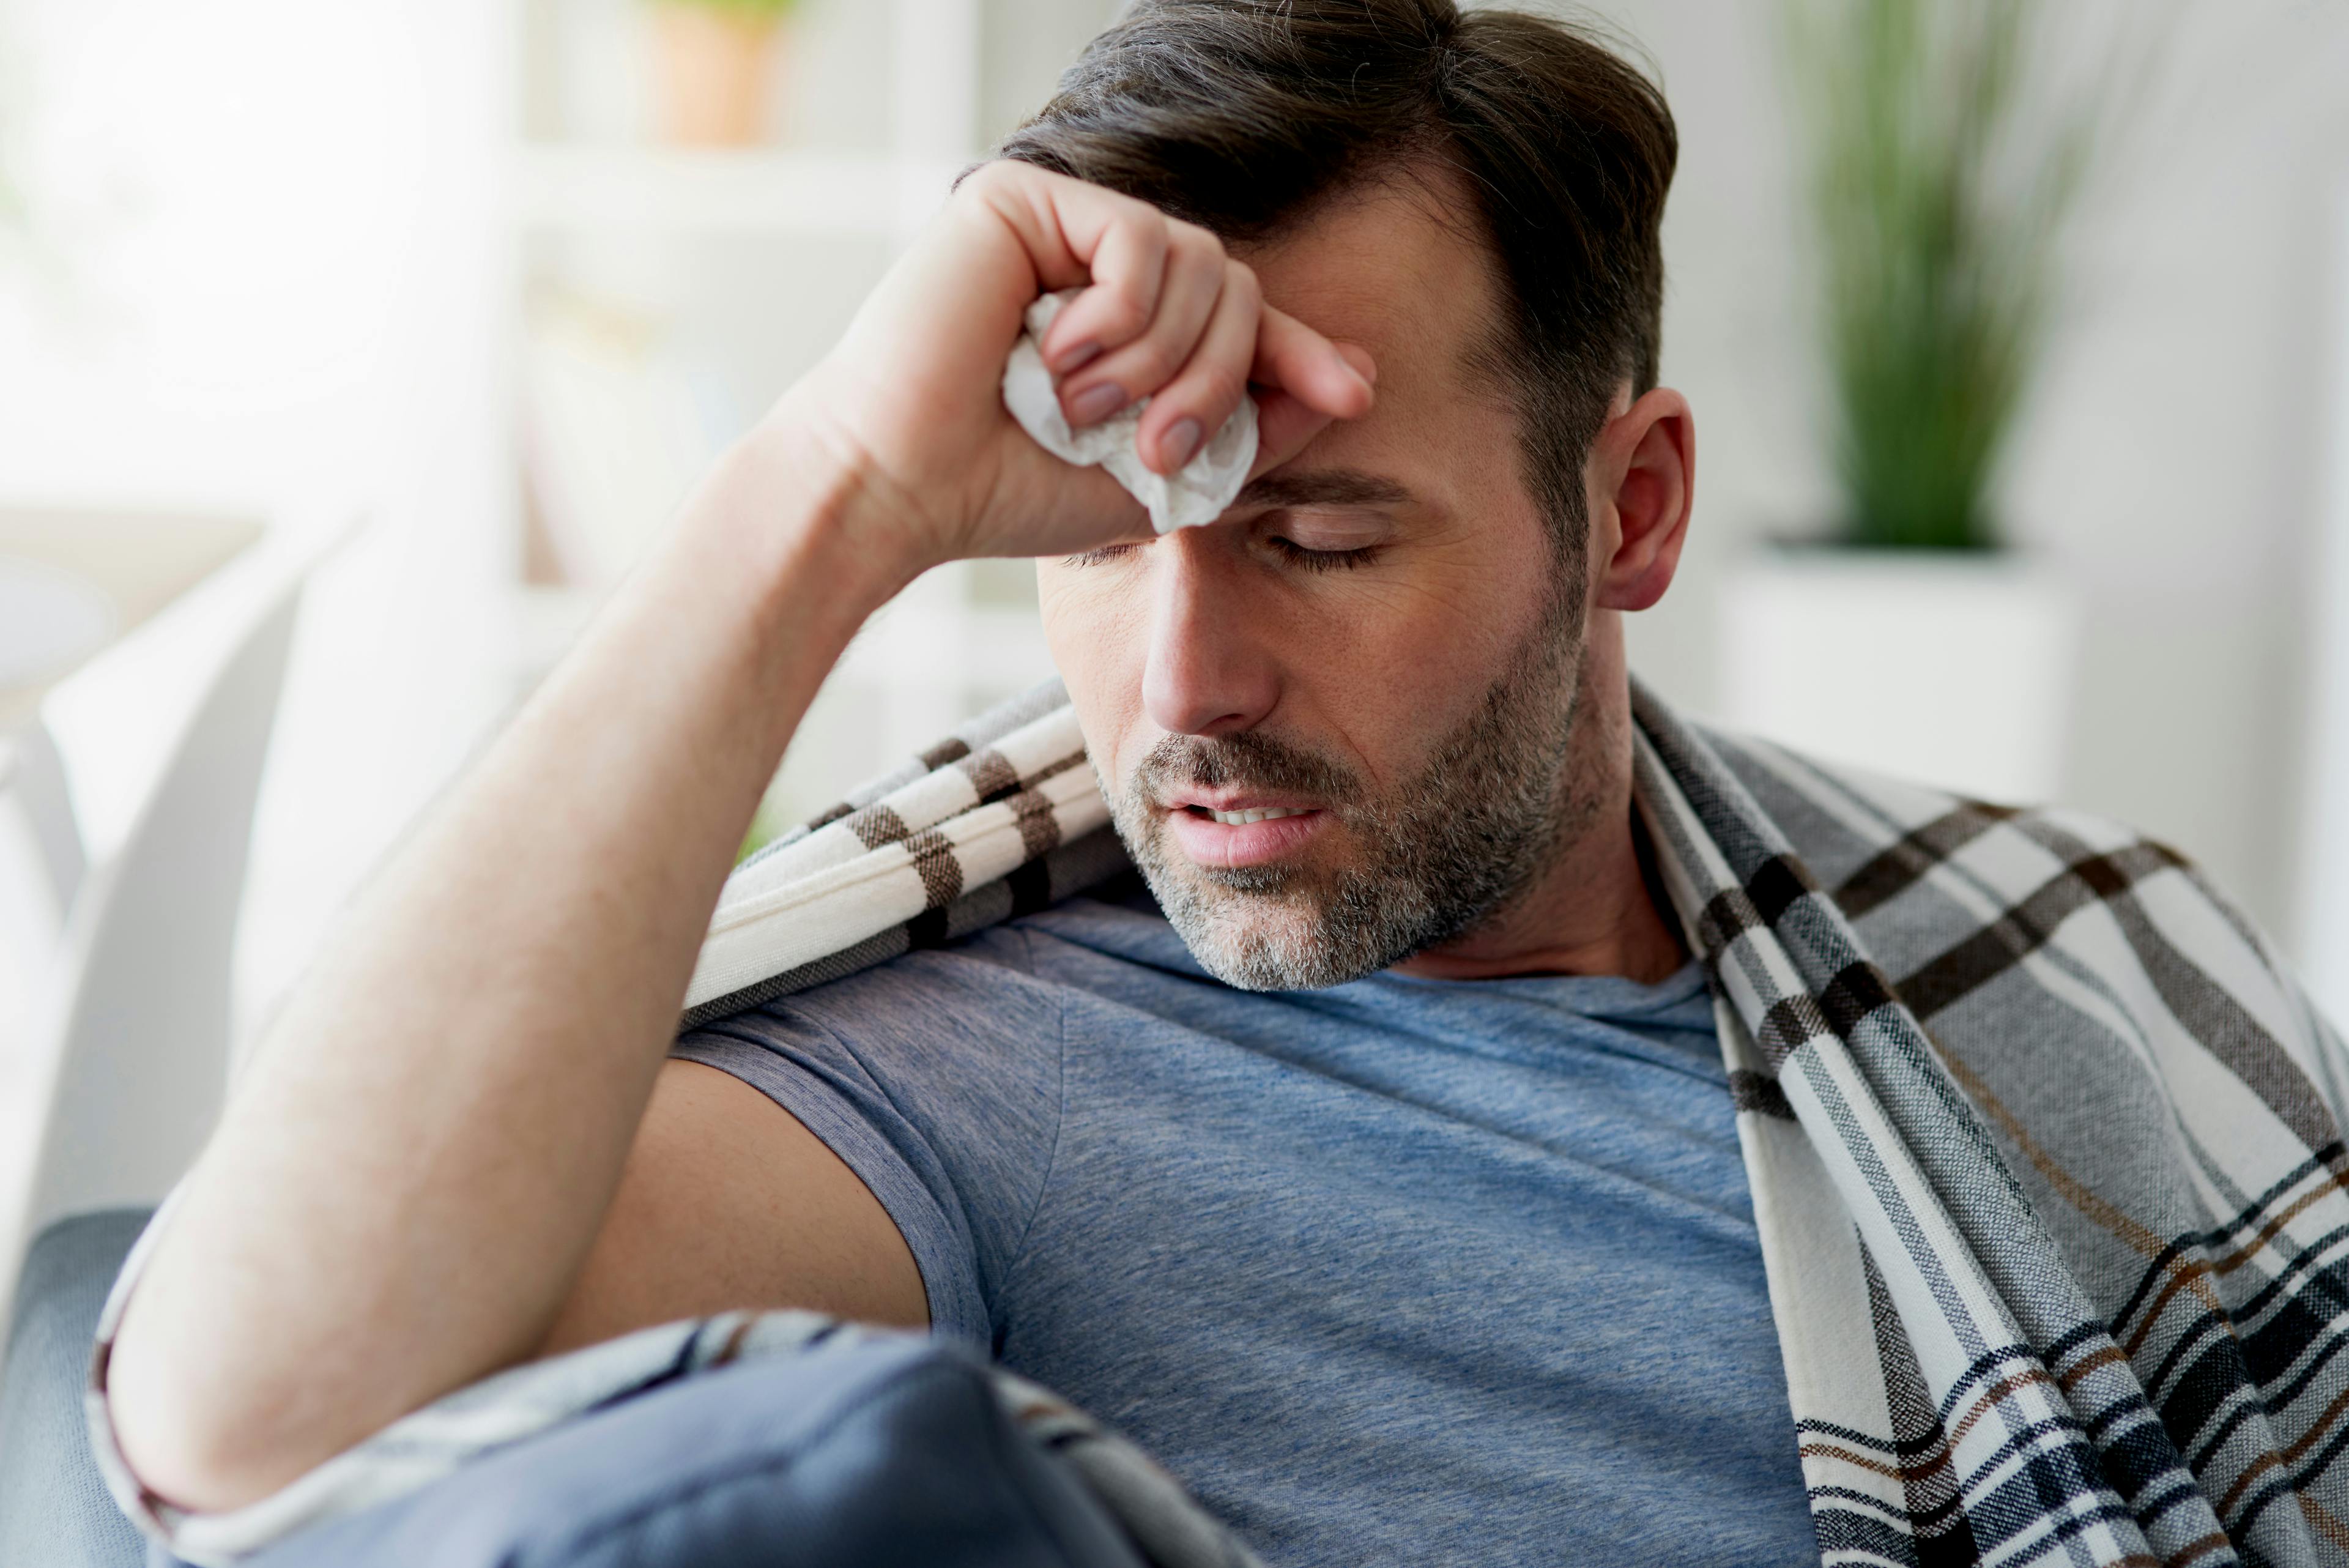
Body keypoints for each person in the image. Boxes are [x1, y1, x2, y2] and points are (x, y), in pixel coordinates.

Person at [95, 3, 2349, 1566]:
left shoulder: (2050, 942)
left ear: (1631, 513)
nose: (1182, 679)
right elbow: (234, 1404)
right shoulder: (968, 1095)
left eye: (1325, 535)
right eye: (1093, 535)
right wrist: (837, 483)